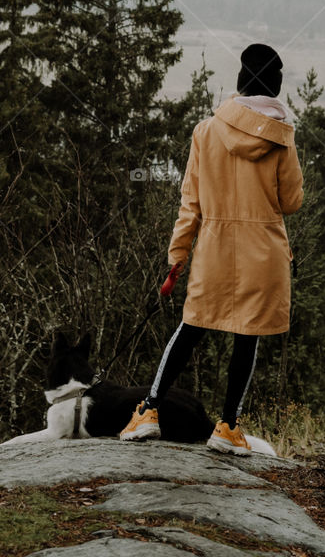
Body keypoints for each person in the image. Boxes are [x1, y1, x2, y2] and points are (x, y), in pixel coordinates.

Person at [119, 42, 304, 452]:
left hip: (214, 249)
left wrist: (177, 257)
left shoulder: (206, 130)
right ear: (274, 88)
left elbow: (191, 202)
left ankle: (148, 411)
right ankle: (228, 428)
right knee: (247, 336)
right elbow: (291, 202)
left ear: (240, 84)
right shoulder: (281, 139)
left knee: (191, 328)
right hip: (264, 251)